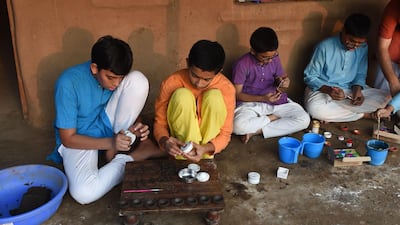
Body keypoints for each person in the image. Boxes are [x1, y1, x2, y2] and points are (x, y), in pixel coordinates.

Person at [47, 35, 165, 204]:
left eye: (121, 78)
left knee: (138, 80)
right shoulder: (68, 83)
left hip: (107, 125)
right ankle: (132, 156)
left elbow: (126, 102)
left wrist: (136, 124)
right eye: (111, 77)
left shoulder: (114, 78)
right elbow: (68, 139)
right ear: (95, 68)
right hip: (80, 139)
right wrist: (111, 143)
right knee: (83, 193)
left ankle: (119, 150)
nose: (116, 84)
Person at [153, 40, 236, 162]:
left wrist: (206, 148)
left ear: (218, 72)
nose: (199, 83)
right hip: (181, 146)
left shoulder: (227, 89)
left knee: (214, 97)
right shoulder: (171, 83)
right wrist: (165, 142)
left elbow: (225, 133)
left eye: (206, 79)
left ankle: (204, 156)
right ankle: (185, 155)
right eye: (195, 75)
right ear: (187, 63)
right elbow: (160, 124)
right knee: (182, 95)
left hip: (206, 149)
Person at [304, 13, 390, 123]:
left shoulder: (363, 48)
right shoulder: (324, 47)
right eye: (352, 41)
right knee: (315, 109)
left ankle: (336, 114)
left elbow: (360, 74)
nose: (355, 46)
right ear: (343, 31)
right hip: (322, 91)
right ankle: (364, 114)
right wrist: (329, 90)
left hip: (348, 91)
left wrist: (357, 90)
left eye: (359, 43)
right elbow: (310, 77)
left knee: (388, 97)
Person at [231, 27, 310, 144]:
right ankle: (273, 118)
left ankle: (257, 131)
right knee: (237, 126)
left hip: (275, 102)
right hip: (251, 105)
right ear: (253, 51)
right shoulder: (242, 64)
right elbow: (237, 95)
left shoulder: (274, 58)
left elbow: (281, 78)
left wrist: (284, 82)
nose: (269, 61)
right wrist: (262, 99)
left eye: (272, 57)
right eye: (264, 57)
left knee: (304, 119)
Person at [374, 0, 400, 96]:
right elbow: (382, 47)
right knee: (382, 96)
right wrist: (393, 83)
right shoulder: (394, 6)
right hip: (391, 55)